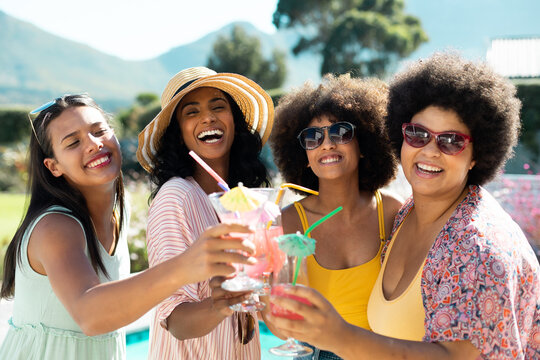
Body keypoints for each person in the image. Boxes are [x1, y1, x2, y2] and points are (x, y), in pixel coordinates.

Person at [267, 53, 540, 359]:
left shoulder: (479, 245)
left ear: (478, 154)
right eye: (418, 134)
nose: (430, 151)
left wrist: (341, 337)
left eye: (451, 141)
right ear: (401, 136)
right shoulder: (407, 216)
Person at [0, 94, 256, 360]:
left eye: (99, 131)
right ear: (53, 166)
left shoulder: (118, 214)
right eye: (74, 142)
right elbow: (90, 315)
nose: (93, 144)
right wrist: (183, 266)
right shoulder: (54, 226)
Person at [136, 66, 274, 359]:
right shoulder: (176, 198)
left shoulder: (241, 203)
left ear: (234, 121)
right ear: (179, 133)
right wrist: (220, 305)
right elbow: (174, 319)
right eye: (191, 112)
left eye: (218, 107)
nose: (208, 118)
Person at [267, 74, 403, 358]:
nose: (327, 144)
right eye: (312, 137)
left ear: (363, 143)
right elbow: (280, 322)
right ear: (304, 154)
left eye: (340, 133)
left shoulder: (391, 211)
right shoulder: (289, 223)